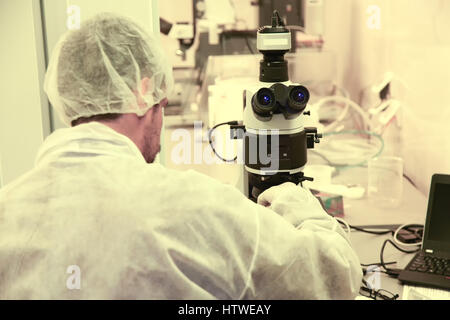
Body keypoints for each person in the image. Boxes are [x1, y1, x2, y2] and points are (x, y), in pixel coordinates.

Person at [0, 13, 362, 299]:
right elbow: (334, 279)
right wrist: (296, 201)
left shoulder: (8, 209)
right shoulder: (194, 206)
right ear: (144, 91)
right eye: (162, 100)